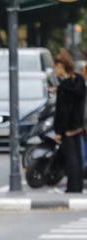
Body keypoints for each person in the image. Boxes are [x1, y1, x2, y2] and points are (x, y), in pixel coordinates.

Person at [52, 49, 85, 193]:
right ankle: (76, 186)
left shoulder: (64, 88)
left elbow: (63, 111)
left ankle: (72, 187)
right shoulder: (78, 80)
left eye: (56, 67)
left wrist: (59, 131)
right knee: (77, 157)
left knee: (71, 158)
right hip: (78, 126)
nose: (55, 70)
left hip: (68, 128)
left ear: (62, 66)